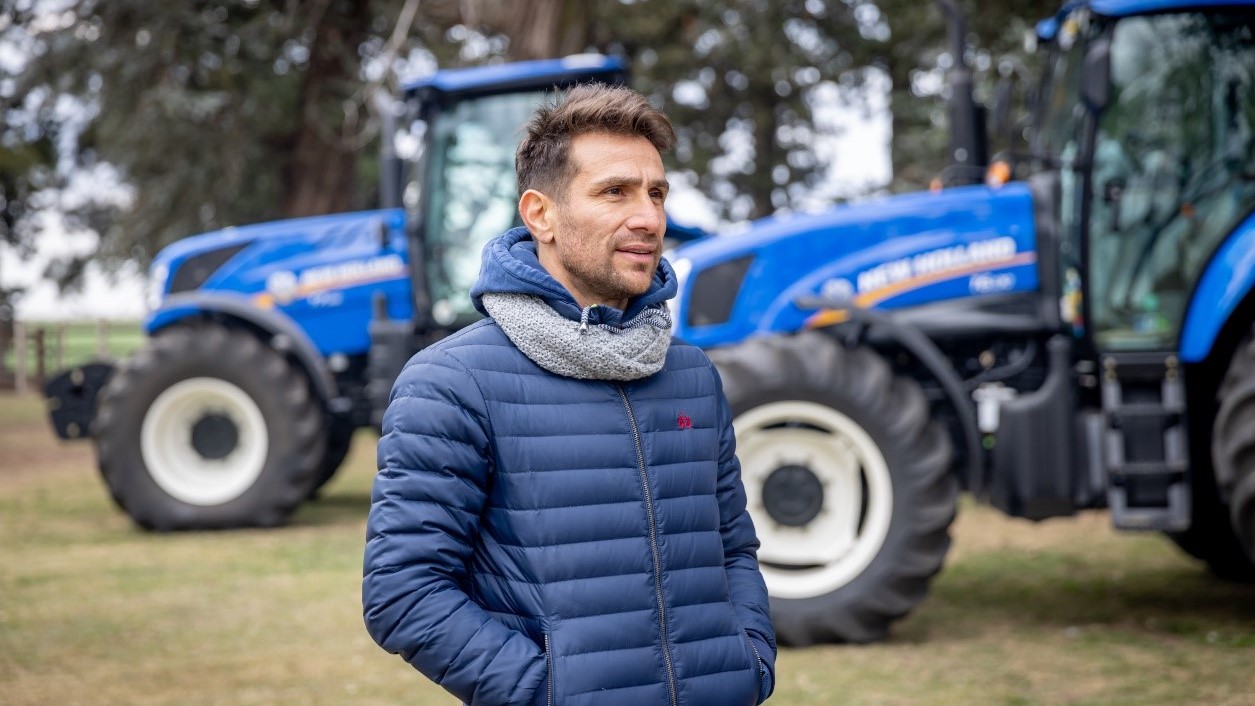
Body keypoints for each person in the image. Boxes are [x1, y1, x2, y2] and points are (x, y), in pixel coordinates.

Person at [363, 84, 776, 706]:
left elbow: (732, 547)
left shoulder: (690, 373)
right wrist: (545, 692)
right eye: (615, 191)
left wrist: (748, 660)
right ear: (540, 215)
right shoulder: (451, 382)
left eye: (656, 192)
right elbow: (404, 591)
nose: (648, 218)